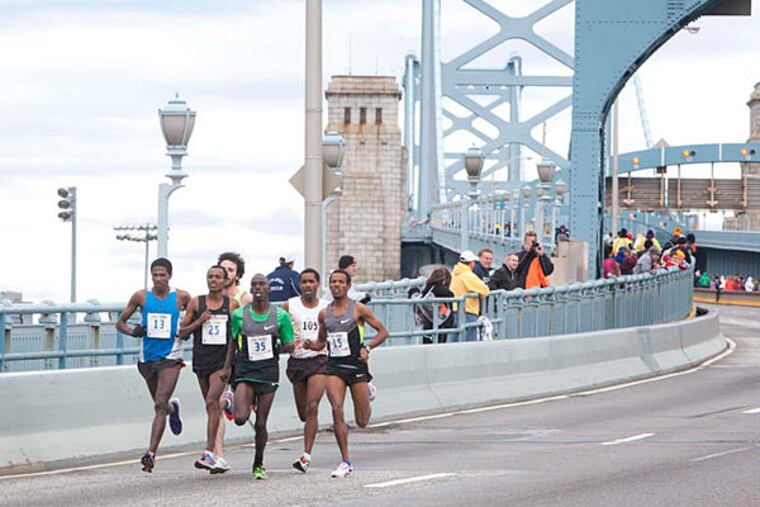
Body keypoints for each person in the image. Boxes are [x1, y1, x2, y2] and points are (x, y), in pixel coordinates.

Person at [115, 258, 192, 473]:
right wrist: (133, 331)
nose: (159, 279)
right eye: (155, 275)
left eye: (162, 275)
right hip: (147, 357)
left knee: (159, 404)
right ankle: (172, 408)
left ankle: (150, 454)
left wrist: (186, 329)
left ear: (170, 276)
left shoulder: (182, 297)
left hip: (171, 356)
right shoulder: (141, 297)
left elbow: (194, 316)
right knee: (161, 405)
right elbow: (120, 323)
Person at [316, 269, 389, 478]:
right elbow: (321, 341)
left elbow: (383, 332)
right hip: (334, 368)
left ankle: (367, 389)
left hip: (356, 367)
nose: (336, 285)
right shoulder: (324, 314)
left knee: (362, 421)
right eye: (333, 282)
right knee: (336, 407)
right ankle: (345, 461)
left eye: (341, 282)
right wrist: (310, 344)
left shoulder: (358, 309)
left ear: (348, 286)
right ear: (329, 286)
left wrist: (368, 348)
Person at [230, 274, 296, 480]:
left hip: (268, 371)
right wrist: (226, 368)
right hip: (246, 370)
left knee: (260, 423)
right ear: (251, 289)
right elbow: (232, 342)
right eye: (254, 285)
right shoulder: (239, 315)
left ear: (268, 289)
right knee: (240, 418)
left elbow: (288, 343)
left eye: (262, 284)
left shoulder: (280, 316)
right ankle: (236, 401)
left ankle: (258, 463)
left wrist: (287, 344)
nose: (258, 288)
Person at [178, 265, 239, 474]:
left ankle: (209, 453)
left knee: (212, 403)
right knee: (211, 406)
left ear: (224, 281)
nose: (213, 280)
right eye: (210, 276)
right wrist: (199, 321)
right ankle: (228, 401)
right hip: (201, 361)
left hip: (222, 363)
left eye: (217, 277)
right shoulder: (197, 302)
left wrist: (229, 365)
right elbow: (182, 333)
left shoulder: (232, 304)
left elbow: (236, 336)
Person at [281, 268, 329, 473]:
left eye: (311, 281)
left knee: (312, 407)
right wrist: (287, 344)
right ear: (300, 285)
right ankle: (307, 444)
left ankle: (306, 456)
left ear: (318, 284)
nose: (308, 285)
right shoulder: (289, 305)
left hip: (320, 360)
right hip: (298, 362)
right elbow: (280, 330)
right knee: (303, 414)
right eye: (304, 282)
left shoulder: (327, 307)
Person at [216, 251, 252, 464]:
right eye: (223, 269)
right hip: (217, 356)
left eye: (231, 270)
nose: (227, 273)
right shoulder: (212, 296)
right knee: (215, 406)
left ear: (237, 275)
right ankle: (218, 455)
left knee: (241, 416)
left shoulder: (243, 298)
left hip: (240, 355)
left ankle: (237, 400)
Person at [450, 250, 490, 342]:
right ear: (471, 263)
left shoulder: (454, 273)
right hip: (468, 311)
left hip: (455, 310)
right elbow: (485, 290)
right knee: (470, 340)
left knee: (455, 339)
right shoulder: (468, 275)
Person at [410, 267, 455, 344]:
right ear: (445, 280)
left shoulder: (427, 289)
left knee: (427, 344)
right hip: (440, 324)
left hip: (426, 324)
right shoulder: (445, 292)